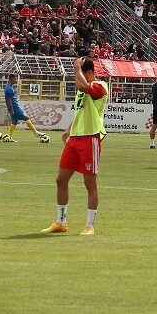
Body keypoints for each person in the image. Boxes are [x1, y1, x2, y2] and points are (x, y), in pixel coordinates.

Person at [41, 57, 109, 236]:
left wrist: (76, 67)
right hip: (75, 138)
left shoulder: (101, 86)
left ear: (88, 73)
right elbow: (81, 111)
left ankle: (89, 225)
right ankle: (61, 222)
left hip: (90, 138)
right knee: (61, 180)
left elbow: (82, 87)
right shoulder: (83, 87)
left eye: (79, 72)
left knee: (90, 183)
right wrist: (69, 129)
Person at [3, 73, 47, 142]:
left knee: (14, 122)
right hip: (15, 107)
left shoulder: (9, 87)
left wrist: (10, 110)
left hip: (13, 107)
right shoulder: (8, 89)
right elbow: (8, 101)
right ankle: (35, 132)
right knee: (26, 118)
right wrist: (11, 110)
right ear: (12, 79)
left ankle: (10, 137)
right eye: (15, 79)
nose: (16, 80)